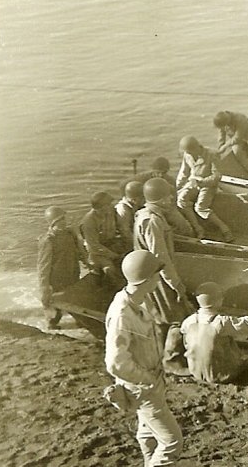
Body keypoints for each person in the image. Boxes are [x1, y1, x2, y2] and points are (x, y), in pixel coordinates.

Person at [104, 250, 184, 467]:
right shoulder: (122, 313)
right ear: (146, 280)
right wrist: (145, 379)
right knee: (172, 441)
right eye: (156, 276)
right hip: (143, 387)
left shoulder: (136, 301)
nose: (159, 280)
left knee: (147, 432)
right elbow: (115, 362)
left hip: (150, 382)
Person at [133, 177, 194, 369]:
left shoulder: (144, 214)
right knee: (176, 316)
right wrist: (176, 285)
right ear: (160, 199)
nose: (171, 199)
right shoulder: (153, 221)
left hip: (150, 275)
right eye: (168, 196)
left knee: (160, 318)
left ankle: (157, 357)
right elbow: (160, 258)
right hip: (159, 277)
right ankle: (172, 361)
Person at [175, 135, 234, 242]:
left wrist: (202, 182)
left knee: (200, 207)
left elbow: (217, 176)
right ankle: (198, 229)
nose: (189, 154)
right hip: (193, 182)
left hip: (208, 185)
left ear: (196, 148)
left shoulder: (211, 154)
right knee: (181, 200)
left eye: (190, 152)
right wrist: (177, 186)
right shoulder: (187, 155)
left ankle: (225, 229)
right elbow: (184, 172)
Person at [37, 206, 86, 330]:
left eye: (64, 218)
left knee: (75, 298)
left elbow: (78, 252)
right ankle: (52, 323)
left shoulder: (70, 234)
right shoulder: (48, 240)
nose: (64, 221)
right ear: (53, 223)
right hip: (57, 278)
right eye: (60, 220)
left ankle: (79, 320)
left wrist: (87, 262)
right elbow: (43, 266)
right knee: (55, 304)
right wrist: (44, 286)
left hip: (72, 272)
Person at [133, 158, 195, 237]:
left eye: (164, 172)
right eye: (158, 172)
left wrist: (168, 210)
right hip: (148, 207)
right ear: (153, 170)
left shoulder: (170, 180)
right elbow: (126, 187)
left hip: (166, 207)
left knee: (183, 225)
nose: (161, 175)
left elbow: (173, 200)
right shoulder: (141, 177)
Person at [79, 191, 128, 284]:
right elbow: (94, 246)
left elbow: (122, 228)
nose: (111, 206)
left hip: (112, 244)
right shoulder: (88, 222)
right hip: (97, 252)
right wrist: (113, 255)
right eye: (108, 204)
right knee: (110, 269)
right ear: (101, 208)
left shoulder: (111, 212)